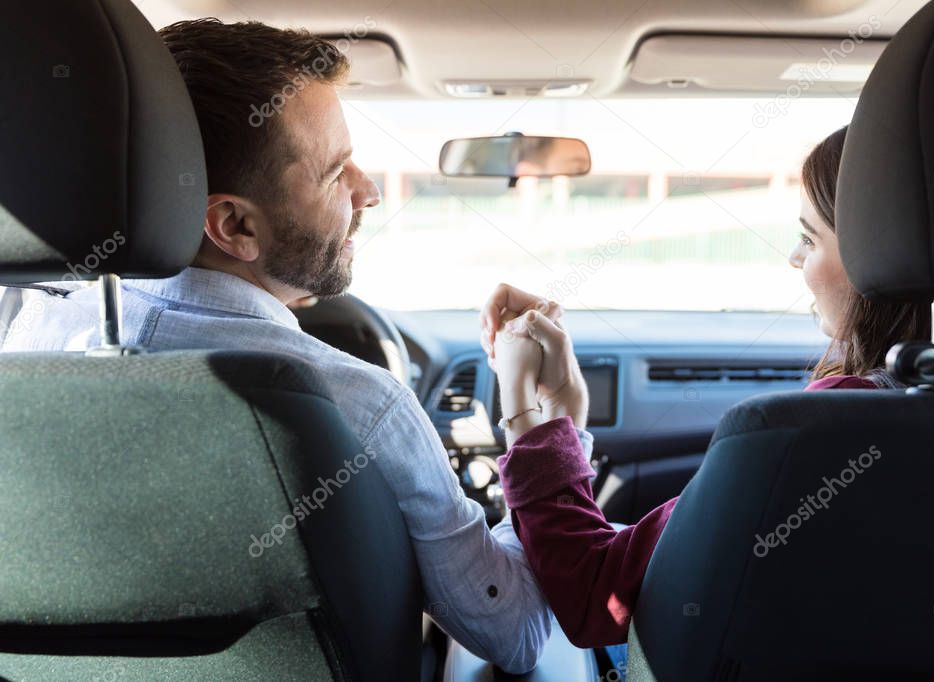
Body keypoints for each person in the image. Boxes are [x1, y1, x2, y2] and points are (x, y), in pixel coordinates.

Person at [1, 19, 565, 674]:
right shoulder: (356, 400)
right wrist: (544, 419)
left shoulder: (18, 339)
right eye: (334, 173)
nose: (369, 191)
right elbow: (517, 632)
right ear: (233, 224)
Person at [479, 126, 934, 648]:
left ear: (880, 258)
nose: (794, 258)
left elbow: (598, 598)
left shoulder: (822, 436)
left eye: (809, 238)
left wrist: (531, 415)